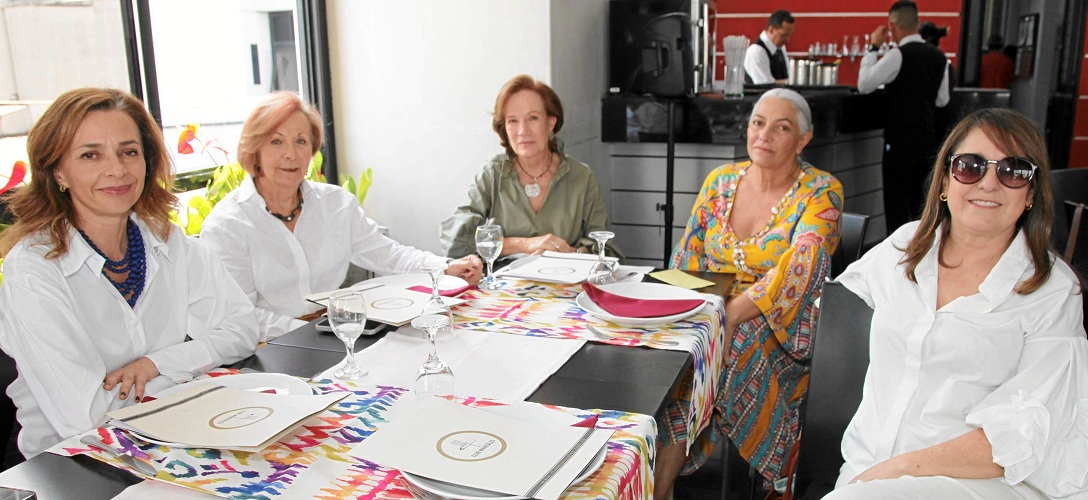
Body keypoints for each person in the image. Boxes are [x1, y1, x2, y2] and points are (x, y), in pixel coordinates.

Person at [825, 108, 1088, 499]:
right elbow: (835, 307)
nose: (989, 183)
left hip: (982, 483)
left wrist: (896, 470)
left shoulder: (1052, 291)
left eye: (1013, 171)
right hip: (868, 470)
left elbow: (1020, 437)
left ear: (1031, 193)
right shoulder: (904, 247)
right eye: (971, 166)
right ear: (946, 180)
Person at [0, 88, 260, 458]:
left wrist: (156, 364)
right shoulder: (33, 269)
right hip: (77, 464)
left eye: (129, 152)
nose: (117, 170)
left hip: (176, 440)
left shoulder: (168, 240)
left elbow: (242, 330)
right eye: (91, 155)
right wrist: (191, 370)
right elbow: (88, 415)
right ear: (58, 170)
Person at [654, 88, 843, 498]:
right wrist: (688, 317)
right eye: (758, 123)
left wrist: (731, 315)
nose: (765, 135)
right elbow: (687, 260)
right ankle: (651, 484)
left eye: (782, 127)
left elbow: (804, 266)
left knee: (724, 350)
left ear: (803, 140)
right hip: (712, 313)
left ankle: (662, 487)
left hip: (780, 327)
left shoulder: (821, 191)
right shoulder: (720, 182)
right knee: (667, 354)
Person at [201, 92, 482, 342]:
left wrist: (444, 267)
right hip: (269, 346)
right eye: (276, 141)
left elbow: (387, 255)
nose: (290, 154)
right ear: (255, 151)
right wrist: (311, 332)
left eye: (301, 141)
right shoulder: (227, 225)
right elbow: (242, 317)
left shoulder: (335, 204)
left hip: (335, 333)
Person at [440, 75, 620, 259]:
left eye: (532, 118)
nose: (522, 131)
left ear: (551, 122)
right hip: (503, 285)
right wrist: (524, 244)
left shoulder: (582, 177)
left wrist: (567, 253)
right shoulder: (492, 174)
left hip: (565, 282)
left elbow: (606, 251)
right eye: (512, 121)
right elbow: (456, 243)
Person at [858, 1, 950, 234]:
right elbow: (942, 100)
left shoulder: (897, 55)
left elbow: (865, 84)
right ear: (917, 23)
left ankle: (896, 259)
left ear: (892, 26)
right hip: (928, 141)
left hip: (899, 141)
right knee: (921, 204)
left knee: (897, 204)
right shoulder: (939, 57)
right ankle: (922, 252)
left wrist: (872, 48)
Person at [744, 10, 794, 85]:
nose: (787, 40)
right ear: (771, 30)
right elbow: (765, 85)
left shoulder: (780, 47)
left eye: (789, 35)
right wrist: (793, 82)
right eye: (783, 35)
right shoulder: (756, 52)